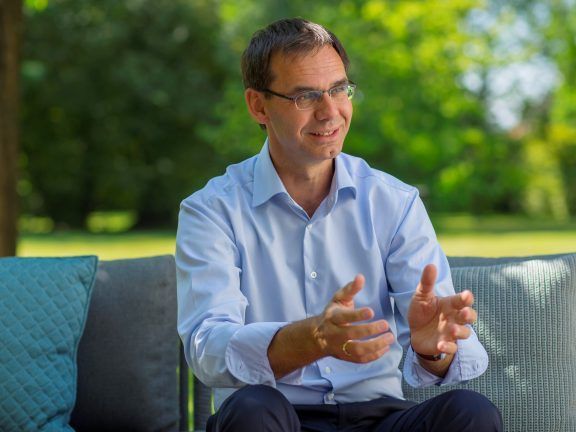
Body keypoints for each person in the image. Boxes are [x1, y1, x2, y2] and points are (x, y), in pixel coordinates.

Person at [176, 18, 503, 432]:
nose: (330, 111)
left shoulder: (395, 202)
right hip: (273, 417)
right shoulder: (211, 210)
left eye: (338, 89)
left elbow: (440, 343)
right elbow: (207, 347)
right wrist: (311, 339)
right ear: (258, 106)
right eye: (306, 96)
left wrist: (431, 350)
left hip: (378, 417)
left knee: (471, 412)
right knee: (252, 409)